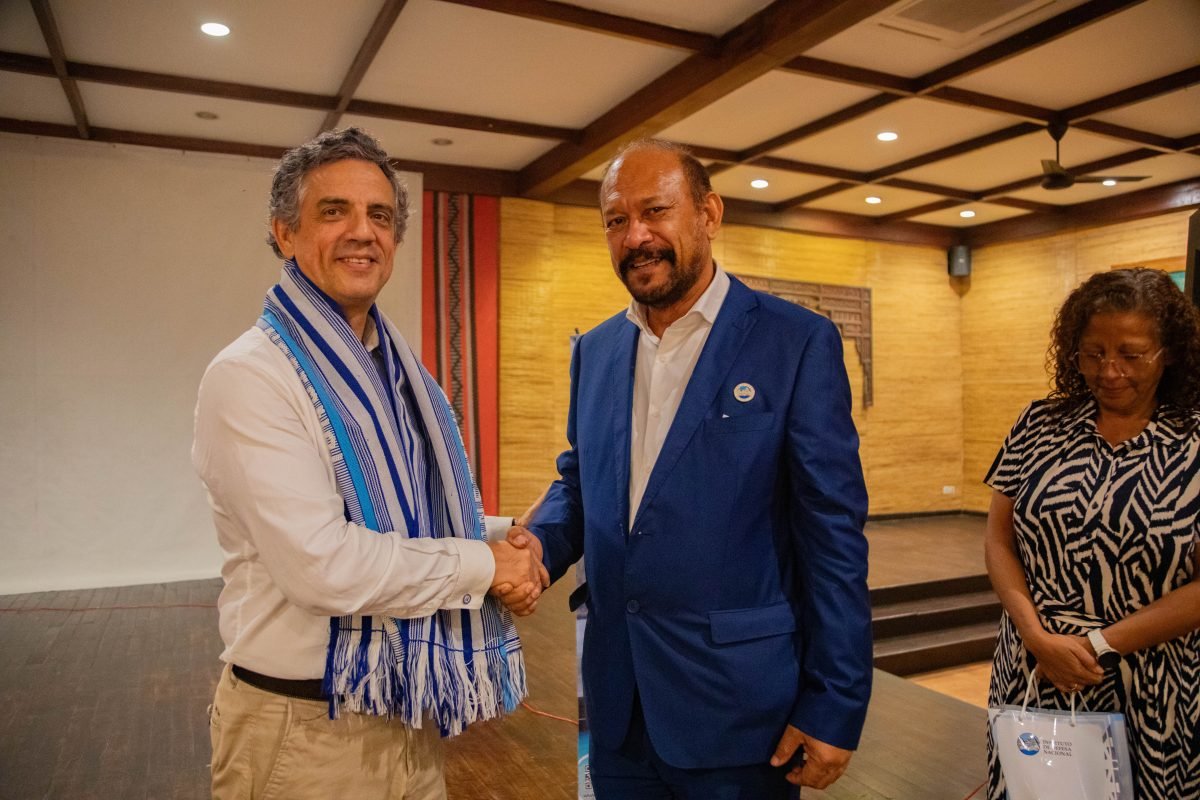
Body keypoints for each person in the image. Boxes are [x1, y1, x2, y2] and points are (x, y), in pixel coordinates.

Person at [506, 139, 873, 798]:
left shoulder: (794, 342)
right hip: (619, 708)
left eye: (655, 211)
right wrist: (536, 546)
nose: (635, 237)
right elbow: (582, 483)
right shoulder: (595, 350)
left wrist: (835, 703)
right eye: (616, 220)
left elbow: (833, 538)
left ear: (709, 214)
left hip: (740, 714)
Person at [192, 127, 545, 800]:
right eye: (335, 211)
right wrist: (484, 565)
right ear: (285, 233)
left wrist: (503, 539)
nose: (363, 231)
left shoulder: (403, 378)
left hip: (405, 711)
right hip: (303, 732)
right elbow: (323, 565)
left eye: (380, 216)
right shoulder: (251, 376)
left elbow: (407, 518)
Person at [984, 268, 1200, 800]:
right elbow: (999, 540)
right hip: (1034, 668)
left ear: (1168, 353)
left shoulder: (1193, 441)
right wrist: (1035, 636)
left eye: (1131, 354)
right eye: (1092, 353)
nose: (1109, 371)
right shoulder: (1040, 423)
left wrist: (1097, 646)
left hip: (1152, 684)